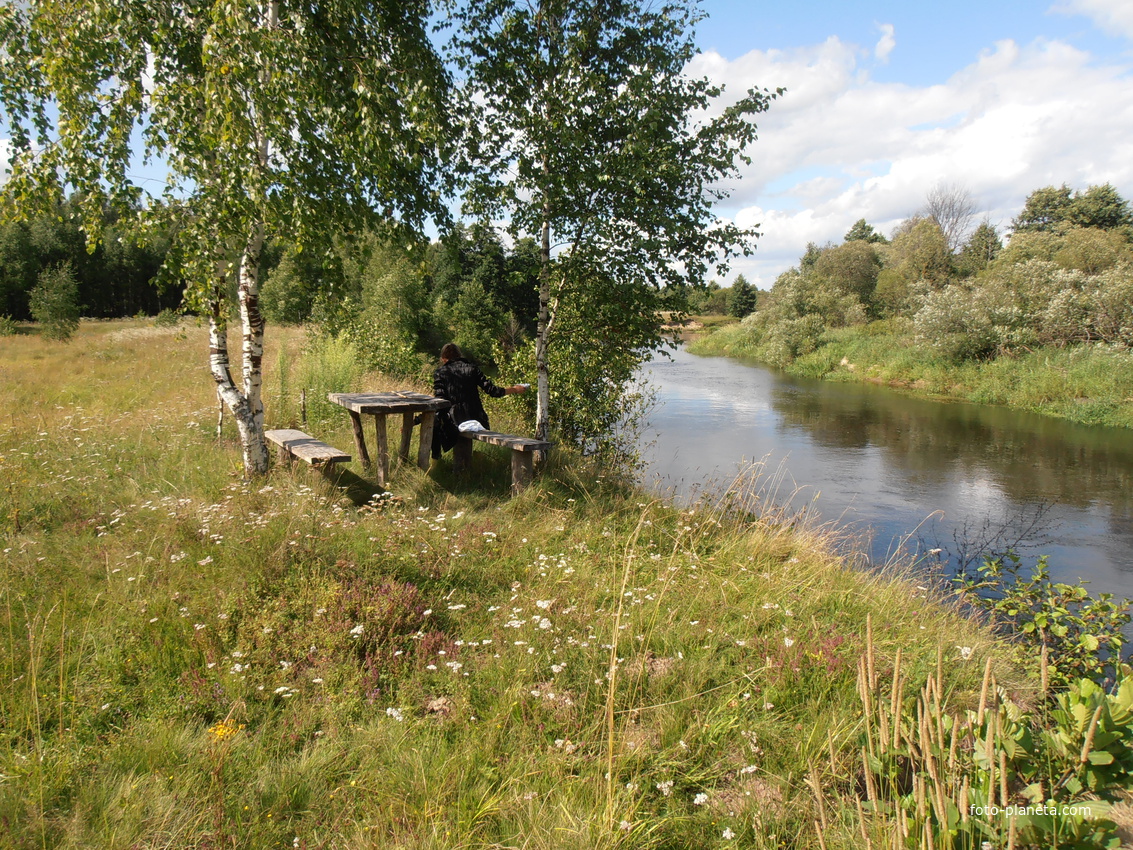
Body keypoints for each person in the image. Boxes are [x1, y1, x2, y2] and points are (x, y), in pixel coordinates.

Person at [431, 343, 527, 457]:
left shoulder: (440, 373)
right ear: (460, 355)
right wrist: (515, 389)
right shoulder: (472, 368)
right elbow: (493, 391)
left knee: (434, 424)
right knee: (435, 422)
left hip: (454, 421)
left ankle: (435, 460)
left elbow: (440, 401)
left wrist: (418, 420)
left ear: (443, 358)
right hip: (476, 419)